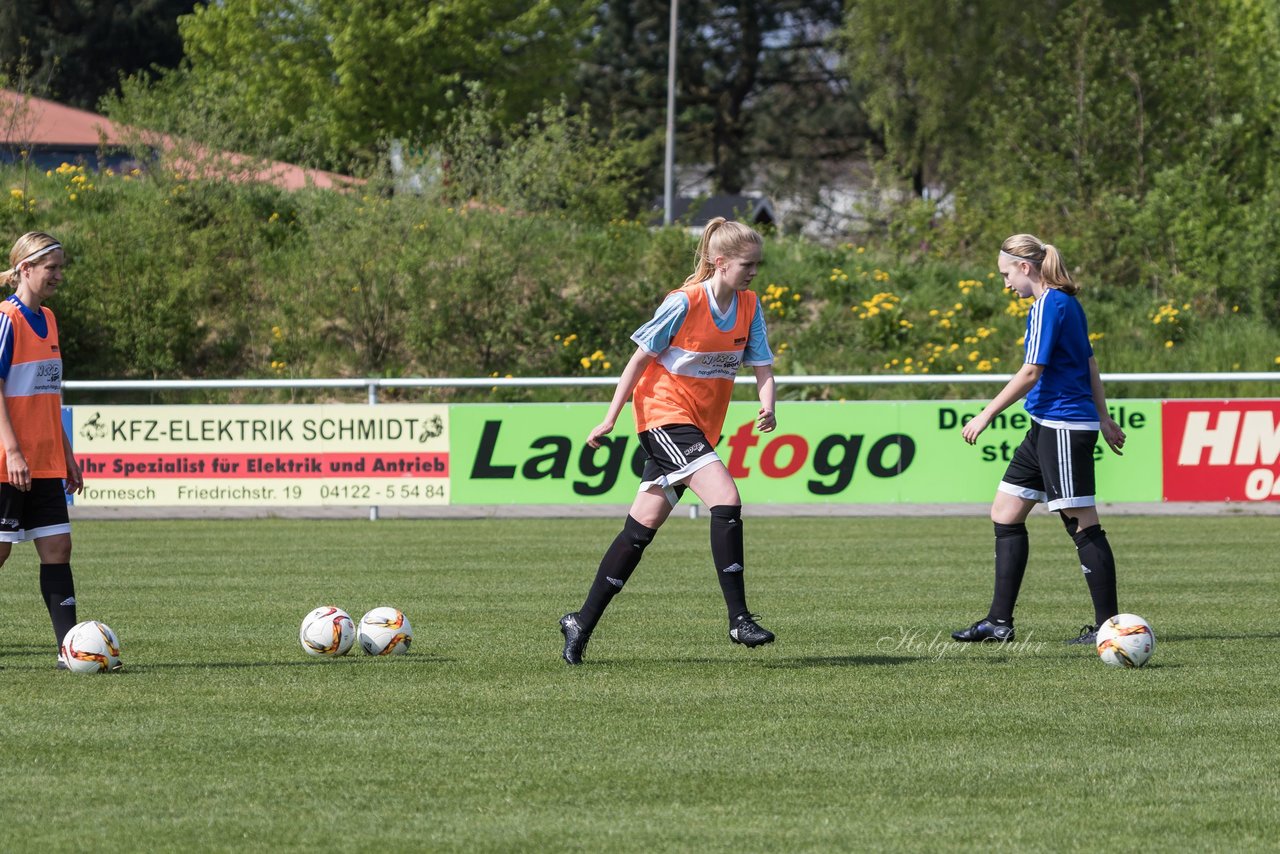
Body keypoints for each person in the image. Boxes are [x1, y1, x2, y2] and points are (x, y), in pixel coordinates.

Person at [559, 218, 778, 665]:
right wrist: (609, 419)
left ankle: (580, 621)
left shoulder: (749, 306)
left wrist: (768, 404)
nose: (754, 272)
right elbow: (638, 360)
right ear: (720, 263)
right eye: (746, 264)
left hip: (698, 428)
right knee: (726, 497)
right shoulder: (683, 302)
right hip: (663, 418)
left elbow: (762, 366)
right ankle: (739, 619)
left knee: (640, 530)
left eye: (758, 264)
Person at [952, 233, 1126, 646]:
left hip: (1062, 426)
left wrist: (986, 413)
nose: (1005, 284)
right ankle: (998, 622)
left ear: (1024, 267)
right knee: (1006, 512)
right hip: (1044, 424)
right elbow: (1089, 363)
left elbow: (1032, 371)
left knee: (1082, 523)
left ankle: (1110, 629)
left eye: (1006, 274)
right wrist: (1103, 416)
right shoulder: (1061, 303)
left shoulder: (1051, 304)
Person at [0, 232, 88, 669]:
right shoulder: (6, 319)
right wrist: (12, 451)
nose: (58, 274)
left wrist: (66, 453)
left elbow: (47, 393)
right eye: (50, 267)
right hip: (6, 463)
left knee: (58, 547)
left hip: (45, 460)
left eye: (60, 267)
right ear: (25, 269)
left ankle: (69, 650)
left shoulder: (49, 319)